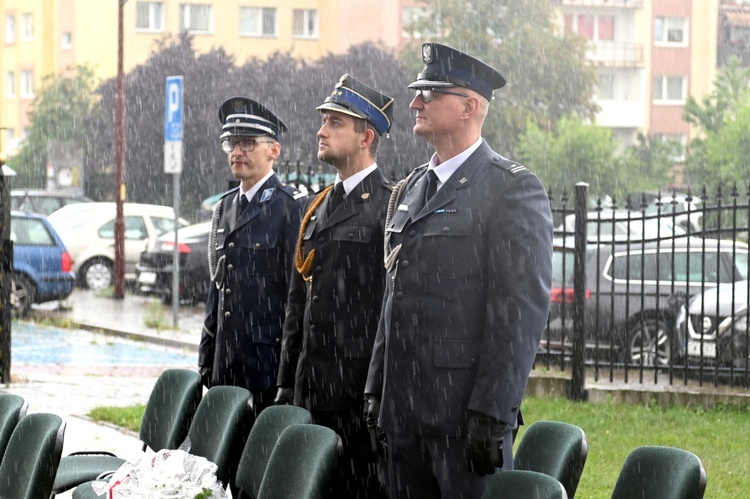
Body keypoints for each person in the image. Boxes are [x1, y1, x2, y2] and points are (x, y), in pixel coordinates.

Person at [364, 42, 554, 499]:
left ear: (470, 105)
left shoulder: (510, 189)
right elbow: (396, 296)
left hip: (463, 421)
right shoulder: (412, 188)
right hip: (404, 414)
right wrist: (377, 387)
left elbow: (519, 313)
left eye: (429, 93)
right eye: (416, 92)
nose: (414, 103)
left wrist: (493, 412)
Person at [275, 74, 394, 499]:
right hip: (312, 387)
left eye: (335, 123)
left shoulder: (388, 205)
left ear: (366, 136)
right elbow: (297, 303)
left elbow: (389, 311)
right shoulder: (317, 207)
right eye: (323, 120)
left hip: (356, 394)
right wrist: (287, 379)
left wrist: (378, 391)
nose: (321, 131)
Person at [199, 97, 306, 416]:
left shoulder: (290, 207)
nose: (237, 152)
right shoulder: (226, 206)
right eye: (231, 144)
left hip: (265, 366)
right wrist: (207, 355)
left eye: (247, 143)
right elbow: (217, 290)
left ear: (274, 150)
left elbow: (294, 297)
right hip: (225, 363)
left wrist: (287, 374)